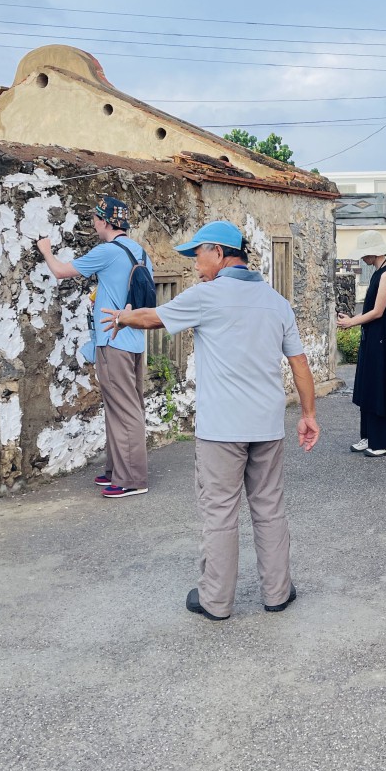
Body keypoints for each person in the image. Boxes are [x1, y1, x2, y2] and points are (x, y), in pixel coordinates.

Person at [102, 220, 320, 621]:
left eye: (198, 254)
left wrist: (123, 318)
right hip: (267, 426)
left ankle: (216, 600)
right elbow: (300, 364)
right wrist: (308, 415)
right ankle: (277, 593)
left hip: (222, 430)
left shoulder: (206, 296)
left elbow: (153, 317)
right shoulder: (277, 302)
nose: (194, 264)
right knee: (269, 507)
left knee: (220, 511)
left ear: (219, 253)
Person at [36, 195, 150, 498]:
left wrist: (46, 251)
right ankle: (117, 471)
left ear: (104, 221)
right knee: (122, 408)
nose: (94, 224)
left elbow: (61, 272)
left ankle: (132, 480)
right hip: (135, 341)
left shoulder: (107, 252)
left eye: (96, 219)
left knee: (125, 411)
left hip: (113, 343)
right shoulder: (139, 251)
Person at [338, 230, 386, 458]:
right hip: (374, 336)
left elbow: (378, 311)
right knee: (367, 386)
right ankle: (369, 436)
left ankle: (383, 441)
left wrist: (351, 322)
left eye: (365, 253)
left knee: (379, 387)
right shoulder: (378, 272)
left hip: (383, 339)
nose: (363, 258)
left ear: (374, 252)